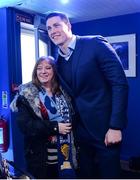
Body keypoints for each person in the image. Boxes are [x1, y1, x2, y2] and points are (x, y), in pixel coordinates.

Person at [46, 11, 129, 179]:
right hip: (78, 133)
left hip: (105, 129)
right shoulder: (57, 61)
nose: (52, 31)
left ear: (68, 26)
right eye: (48, 28)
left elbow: (119, 83)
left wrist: (116, 126)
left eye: (56, 25)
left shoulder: (95, 44)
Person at [10, 56, 76, 179]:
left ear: (54, 70)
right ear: (35, 71)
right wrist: (55, 127)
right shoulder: (26, 94)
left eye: (48, 68)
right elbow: (26, 126)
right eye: (39, 68)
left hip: (65, 152)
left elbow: (73, 117)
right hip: (40, 156)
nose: (43, 71)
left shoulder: (63, 91)